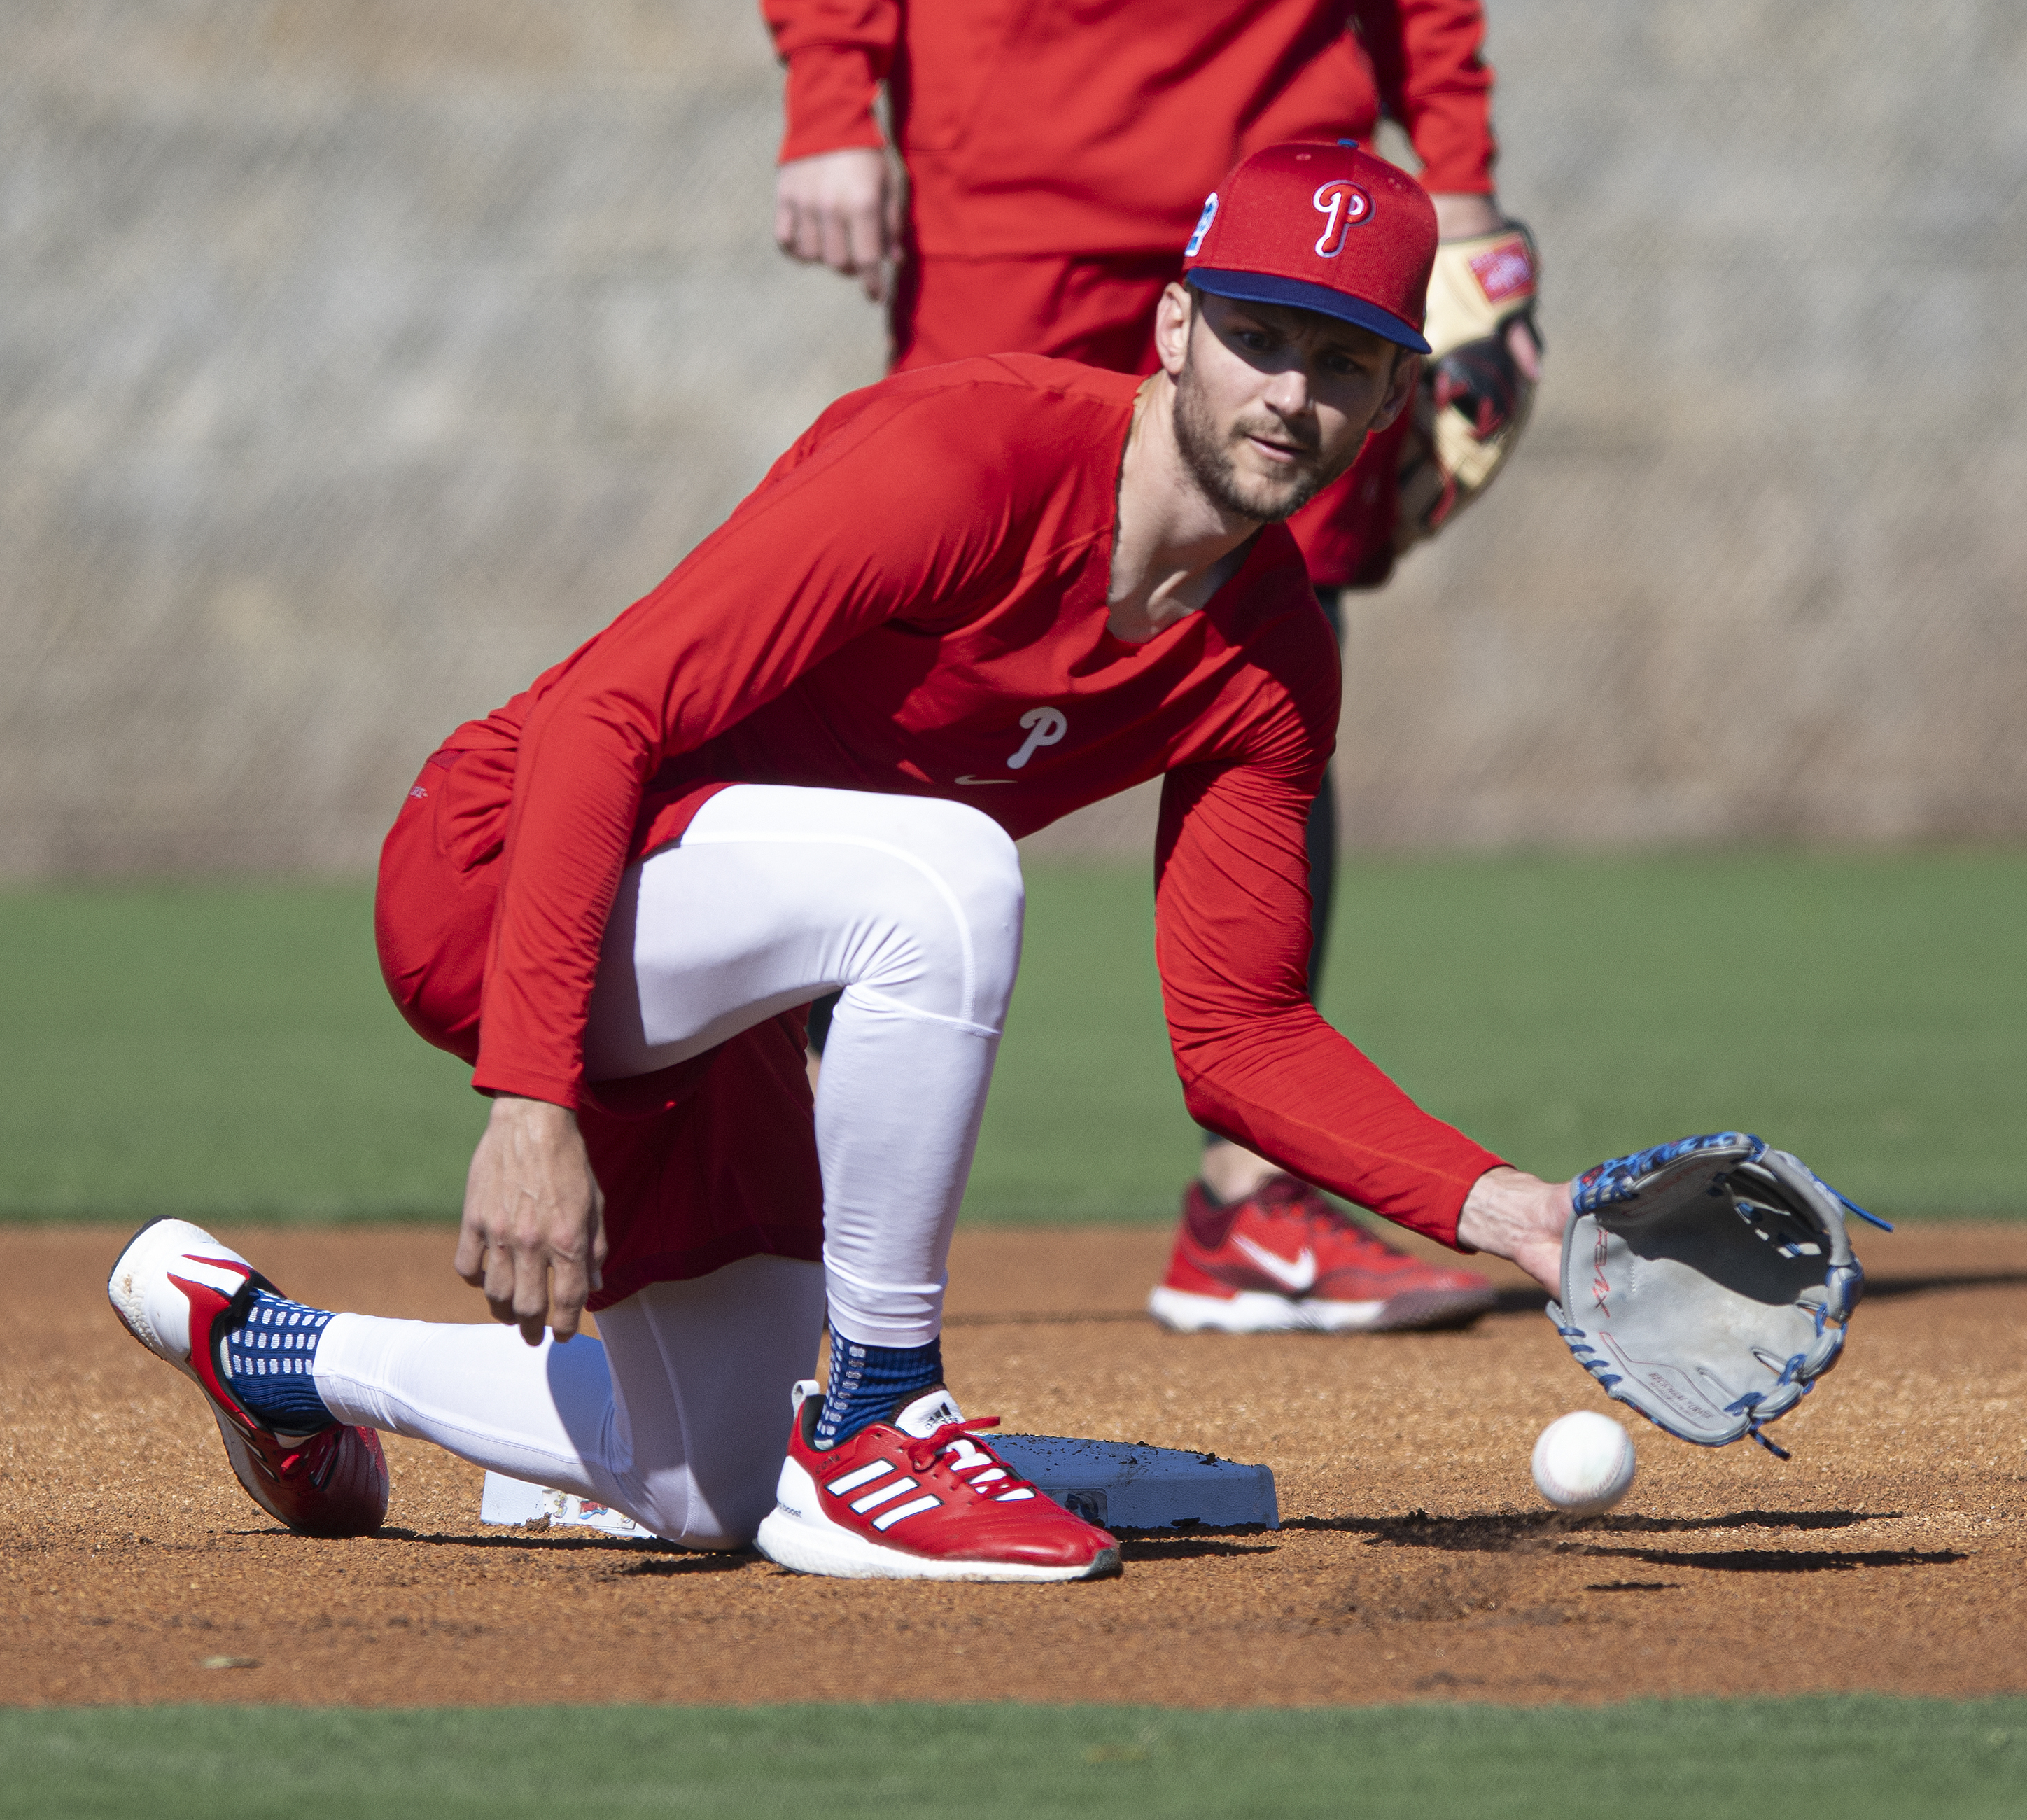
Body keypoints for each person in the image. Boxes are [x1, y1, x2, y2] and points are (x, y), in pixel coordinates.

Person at [108, 144, 1572, 1585]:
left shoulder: (1271, 659)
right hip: (505, 872)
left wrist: (1521, 1214)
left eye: (1341, 357)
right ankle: (886, 1414)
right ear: (1175, 325)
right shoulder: (971, 458)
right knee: (946, 874)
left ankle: (274, 1353)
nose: (1289, 391)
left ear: (1392, 398)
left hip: (728, 966)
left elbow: (1240, 1035)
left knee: (707, 1483)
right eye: (1257, 336)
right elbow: (609, 715)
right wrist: (531, 1098)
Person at [762, 0, 1543, 1334]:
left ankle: (1255, 1199)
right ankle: (778, 1202)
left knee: (1276, 632)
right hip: (1017, 174)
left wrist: (1464, 202)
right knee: (930, 636)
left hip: (1299, 173)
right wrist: (835, 96)